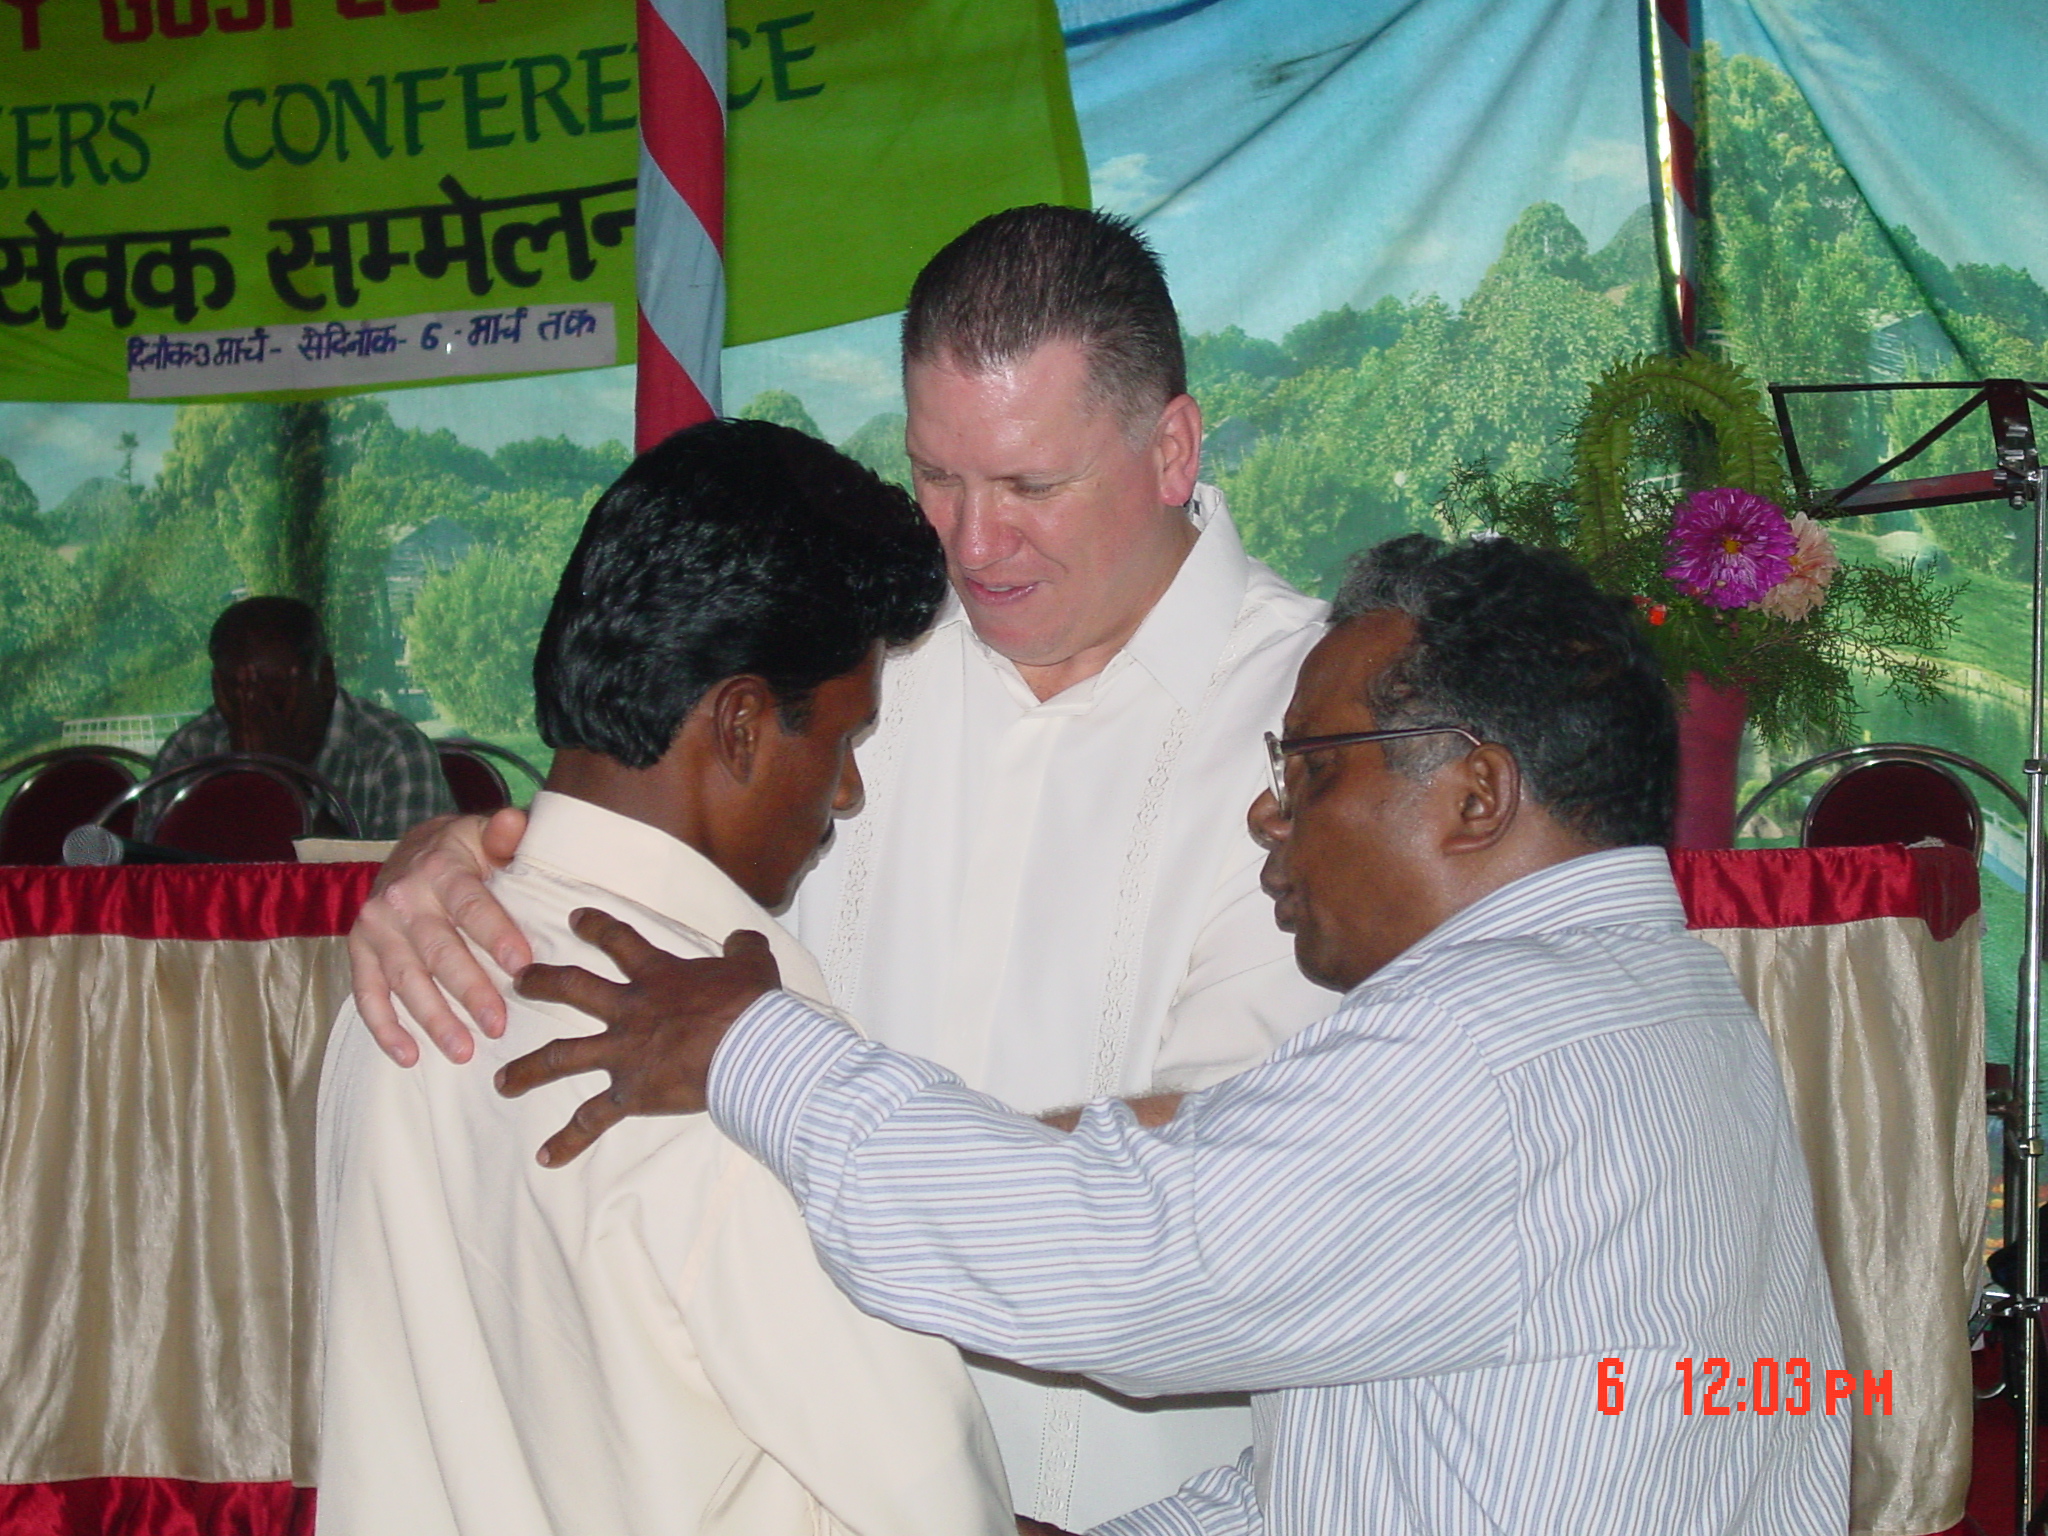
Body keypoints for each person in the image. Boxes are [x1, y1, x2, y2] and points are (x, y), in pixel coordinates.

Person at [496, 535, 1850, 1536]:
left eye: (1309, 769)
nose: (1268, 817)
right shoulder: (1666, 1011)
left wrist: (748, 1046)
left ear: (1477, 795)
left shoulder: (1492, 1055)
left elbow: (1116, 1254)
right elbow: (1362, 1466)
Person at [347, 206, 1334, 1524]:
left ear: (1171, 447)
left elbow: (1226, 1213)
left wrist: (794, 1097)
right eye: (938, 477)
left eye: (1030, 487)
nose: (973, 547)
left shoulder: (1334, 736)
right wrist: (464, 859)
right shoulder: (864, 653)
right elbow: (648, 818)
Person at [314, 419, 1012, 1536]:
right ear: (739, 725)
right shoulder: (719, 1068)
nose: (845, 799)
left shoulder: (396, 983)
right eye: (841, 743)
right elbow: (933, 1499)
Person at [140, 595, 453, 840]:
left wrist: (282, 781)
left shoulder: (393, 750)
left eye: (275, 690)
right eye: (238, 689)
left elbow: (396, 890)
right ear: (217, 688)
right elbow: (150, 879)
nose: (255, 709)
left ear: (326, 678)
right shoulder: (189, 751)